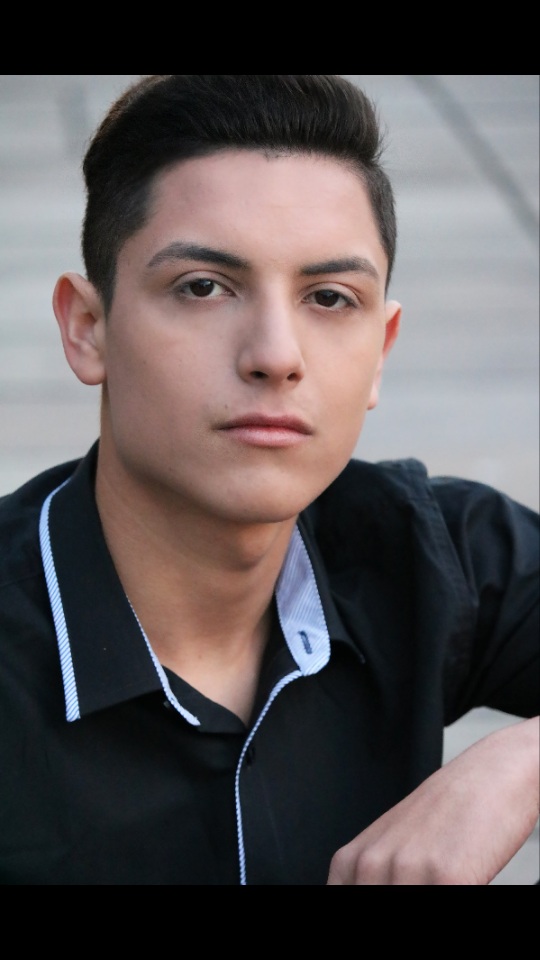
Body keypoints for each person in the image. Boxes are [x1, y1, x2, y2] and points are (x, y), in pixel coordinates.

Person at [0, 74, 538, 886]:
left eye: (330, 297)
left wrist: (522, 762)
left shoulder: (432, 555)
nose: (277, 355)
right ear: (88, 327)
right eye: (203, 287)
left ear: (381, 351)